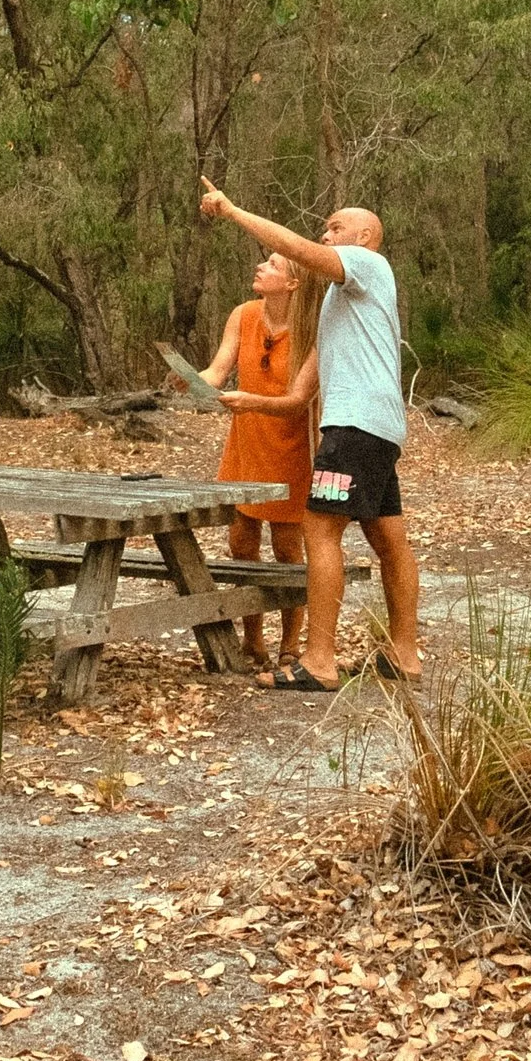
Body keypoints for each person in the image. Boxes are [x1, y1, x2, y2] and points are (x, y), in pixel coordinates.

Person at [197, 177, 420, 691]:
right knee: (388, 538)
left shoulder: (368, 265)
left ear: (364, 237)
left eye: (335, 227)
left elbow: (293, 247)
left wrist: (233, 211)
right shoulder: (336, 308)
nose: (324, 236)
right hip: (377, 429)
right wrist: (247, 401)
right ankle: (404, 654)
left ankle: (318, 660)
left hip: (354, 425)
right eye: (323, 229)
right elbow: (299, 398)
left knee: (318, 528)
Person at [190, 252, 327, 670]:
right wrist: (193, 379)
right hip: (246, 444)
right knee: (240, 542)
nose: (260, 267)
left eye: (272, 264)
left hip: (290, 445)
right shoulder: (244, 314)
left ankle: (290, 644)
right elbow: (218, 371)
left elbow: (297, 402)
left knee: (288, 547)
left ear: (292, 284)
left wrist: (250, 401)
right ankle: (253, 640)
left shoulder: (314, 329)